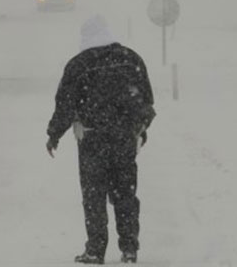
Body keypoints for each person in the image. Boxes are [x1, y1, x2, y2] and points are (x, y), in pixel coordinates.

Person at [46, 15, 155, 265]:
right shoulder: (130, 59)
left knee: (94, 196)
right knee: (125, 194)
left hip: (92, 139)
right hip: (124, 138)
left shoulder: (78, 65)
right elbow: (145, 100)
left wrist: (54, 134)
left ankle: (95, 250)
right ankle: (129, 249)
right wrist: (141, 127)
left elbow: (65, 104)